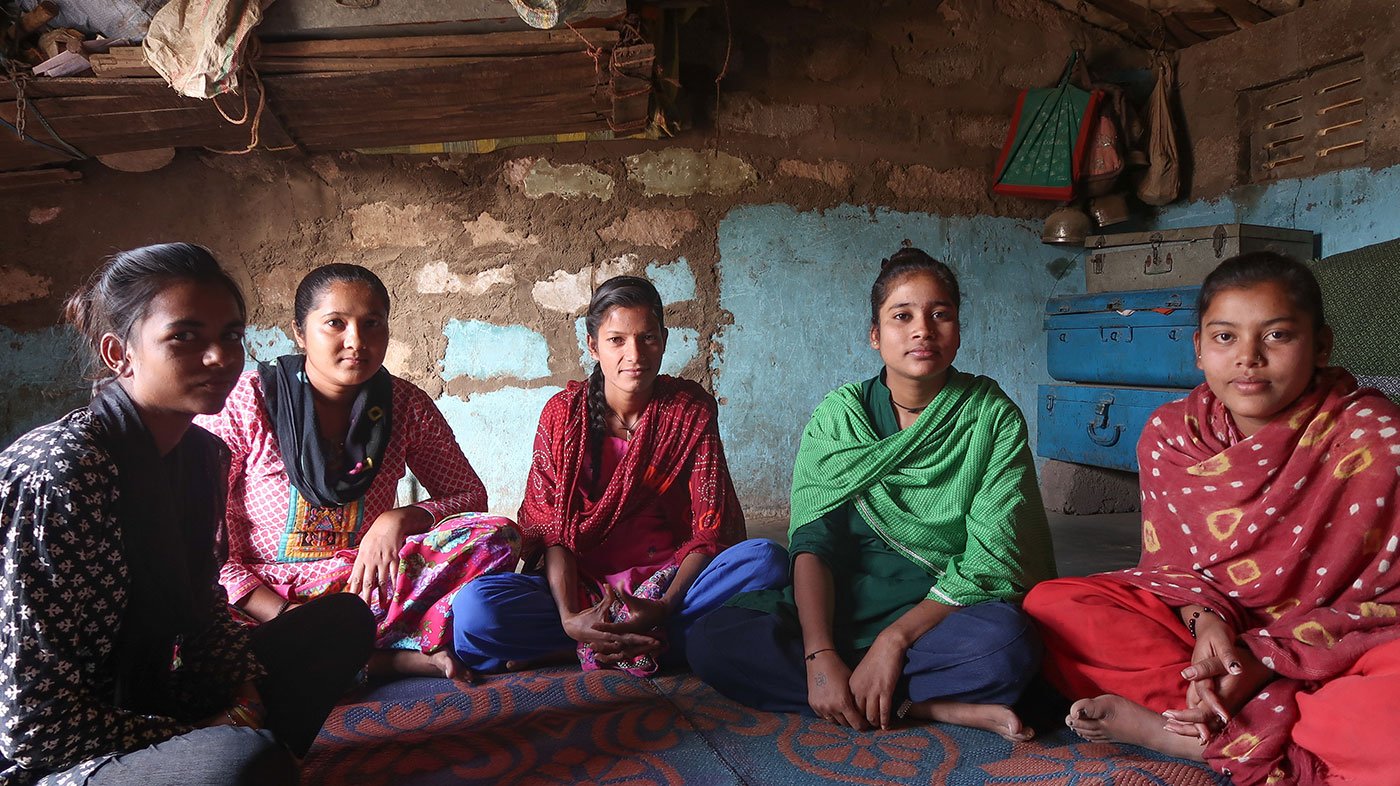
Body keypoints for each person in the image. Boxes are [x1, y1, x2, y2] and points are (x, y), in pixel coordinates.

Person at [0, 243, 374, 786]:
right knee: (236, 765)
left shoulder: (201, 458)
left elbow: (202, 609)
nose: (220, 357)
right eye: (184, 336)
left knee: (343, 620)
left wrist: (242, 693)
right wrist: (202, 734)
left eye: (230, 336)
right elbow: (34, 727)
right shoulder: (61, 474)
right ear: (118, 354)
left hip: (157, 692)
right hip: (55, 753)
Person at [1025, 252, 1400, 786]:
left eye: (1276, 337)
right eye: (1225, 337)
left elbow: (1387, 603)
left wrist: (1267, 657)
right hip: (1213, 641)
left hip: (1337, 649)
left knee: (1386, 718)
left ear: (1321, 346)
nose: (1248, 358)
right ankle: (1244, 719)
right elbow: (1170, 571)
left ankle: (1186, 734)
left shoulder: (1374, 435)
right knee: (1052, 607)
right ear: (1198, 349)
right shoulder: (1173, 434)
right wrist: (1208, 622)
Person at [687, 248, 1056, 740]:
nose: (922, 329)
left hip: (940, 603)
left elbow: (995, 560)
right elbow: (812, 542)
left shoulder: (989, 415)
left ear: (958, 329)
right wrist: (819, 657)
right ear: (876, 336)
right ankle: (925, 706)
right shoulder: (839, 417)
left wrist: (894, 641)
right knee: (714, 640)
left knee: (1009, 646)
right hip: (847, 600)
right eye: (902, 316)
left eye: (940, 314)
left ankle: (876, 693)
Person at [197, 264, 518, 681]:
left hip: (366, 586)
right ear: (299, 331)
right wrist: (287, 617)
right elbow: (206, 544)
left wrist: (399, 518)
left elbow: (470, 497)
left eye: (372, 325)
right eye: (335, 323)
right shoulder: (249, 400)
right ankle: (387, 658)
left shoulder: (403, 403)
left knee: (498, 536)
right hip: (261, 595)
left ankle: (343, 659)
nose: (356, 342)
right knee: (190, 629)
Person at [452, 275, 786, 674]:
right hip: (583, 587)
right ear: (592, 345)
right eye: (616, 340)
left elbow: (709, 529)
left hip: (670, 583)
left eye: (647, 338)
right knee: (475, 612)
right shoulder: (563, 415)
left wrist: (662, 604)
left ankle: (600, 645)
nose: (635, 354)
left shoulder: (688, 411)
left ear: (663, 339)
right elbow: (552, 529)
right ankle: (634, 642)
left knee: (767, 562)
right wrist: (570, 618)